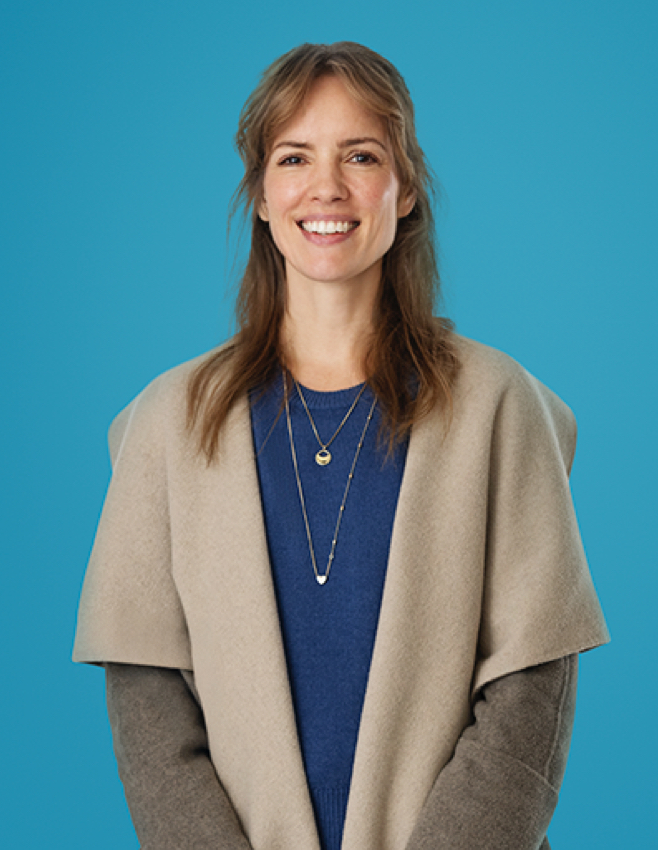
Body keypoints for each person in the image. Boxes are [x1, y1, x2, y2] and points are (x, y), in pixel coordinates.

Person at [73, 42, 609, 850]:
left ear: (406, 188)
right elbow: (148, 700)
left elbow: (532, 691)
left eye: (361, 155)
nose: (326, 186)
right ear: (261, 194)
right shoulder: (169, 422)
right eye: (294, 157)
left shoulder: (498, 406)